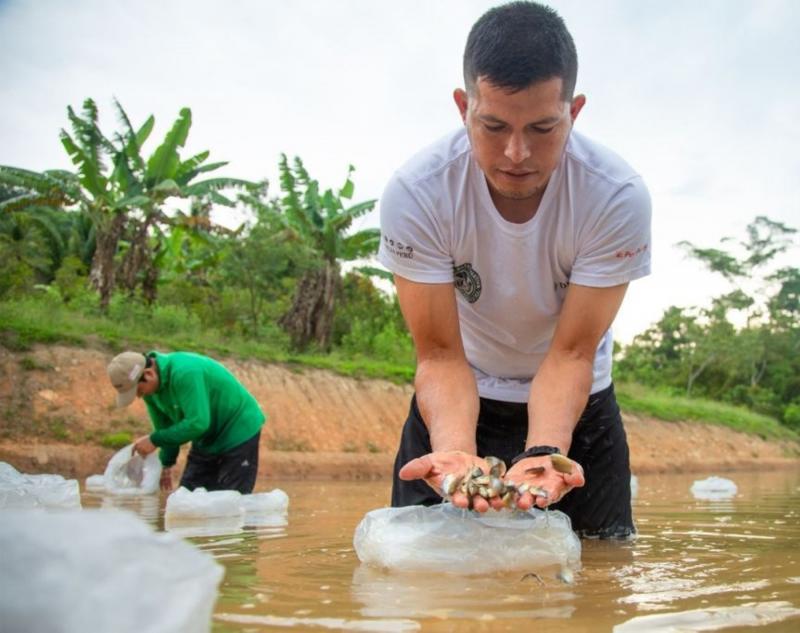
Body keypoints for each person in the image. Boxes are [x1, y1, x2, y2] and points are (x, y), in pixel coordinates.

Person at [378, 1, 651, 538]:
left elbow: (572, 353)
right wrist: (456, 450)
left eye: (544, 128)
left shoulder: (614, 197)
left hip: (579, 400)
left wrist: (547, 451)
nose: (516, 153)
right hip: (460, 395)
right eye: (493, 125)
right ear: (463, 107)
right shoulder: (419, 193)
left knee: (597, 583)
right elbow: (439, 355)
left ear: (575, 111)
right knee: (422, 588)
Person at [106, 350, 266, 494]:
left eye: (139, 391)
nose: (140, 396)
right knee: (187, 498)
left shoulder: (185, 372)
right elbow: (164, 427)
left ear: (148, 374)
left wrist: (154, 440)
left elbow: (198, 423)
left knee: (232, 501)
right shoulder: (151, 392)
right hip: (205, 438)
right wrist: (166, 464)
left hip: (238, 429)